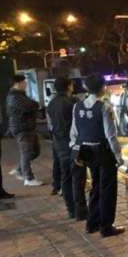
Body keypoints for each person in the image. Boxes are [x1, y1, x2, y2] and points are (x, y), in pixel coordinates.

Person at [70, 74, 124, 238]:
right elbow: (111, 135)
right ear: (103, 88)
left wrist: (75, 150)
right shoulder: (104, 107)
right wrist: (118, 156)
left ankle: (92, 223)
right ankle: (106, 227)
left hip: (86, 151)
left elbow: (74, 132)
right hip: (103, 151)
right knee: (107, 189)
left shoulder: (77, 106)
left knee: (95, 185)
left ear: (86, 88)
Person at [46, 77, 83, 219]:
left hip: (59, 144)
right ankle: (80, 210)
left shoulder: (51, 103)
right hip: (72, 143)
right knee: (77, 178)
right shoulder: (72, 103)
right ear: (68, 86)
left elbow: (51, 125)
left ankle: (71, 209)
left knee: (66, 177)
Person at [7, 74, 43, 186]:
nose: (26, 84)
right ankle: (28, 178)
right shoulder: (14, 97)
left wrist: (34, 105)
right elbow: (29, 106)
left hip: (27, 127)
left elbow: (32, 105)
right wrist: (34, 105)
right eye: (24, 82)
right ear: (18, 84)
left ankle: (20, 169)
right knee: (26, 153)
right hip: (22, 128)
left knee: (35, 151)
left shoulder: (20, 95)